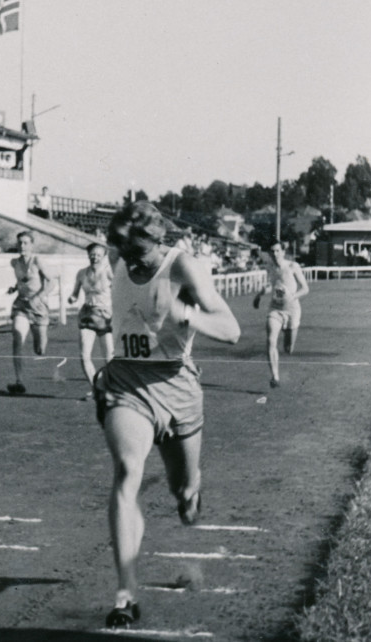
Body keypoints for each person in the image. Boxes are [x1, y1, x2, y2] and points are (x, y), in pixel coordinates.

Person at [94, 201, 240, 629]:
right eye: (124, 253)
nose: (132, 262)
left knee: (183, 491)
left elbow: (231, 331)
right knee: (127, 470)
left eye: (140, 255)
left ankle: (190, 493)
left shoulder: (184, 267)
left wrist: (185, 313)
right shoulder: (122, 253)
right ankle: (126, 595)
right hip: (127, 383)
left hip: (177, 386)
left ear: (159, 242)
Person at [252, 241, 309, 389]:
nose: (275, 254)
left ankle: (288, 332)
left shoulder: (292, 266)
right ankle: (275, 377)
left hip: (292, 310)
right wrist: (259, 295)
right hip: (275, 309)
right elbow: (273, 285)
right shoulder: (270, 267)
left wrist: (293, 296)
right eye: (272, 251)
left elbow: (305, 289)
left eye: (277, 251)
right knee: (271, 341)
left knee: (288, 349)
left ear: (283, 252)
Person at [7, 231, 53, 394]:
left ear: (32, 245)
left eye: (26, 243)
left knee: (40, 349)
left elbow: (51, 283)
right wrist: (14, 288)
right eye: (20, 242)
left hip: (38, 307)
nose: (22, 246)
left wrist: (38, 297)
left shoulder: (37, 261)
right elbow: (22, 280)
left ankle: (40, 340)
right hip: (21, 305)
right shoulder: (14, 262)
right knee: (17, 338)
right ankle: (19, 381)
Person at [68, 242, 115, 390]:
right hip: (87, 314)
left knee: (109, 358)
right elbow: (75, 294)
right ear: (88, 255)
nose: (95, 257)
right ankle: (96, 389)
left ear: (104, 256)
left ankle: (113, 388)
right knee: (84, 356)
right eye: (92, 254)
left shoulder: (109, 272)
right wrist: (72, 298)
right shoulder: (82, 273)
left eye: (98, 255)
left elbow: (120, 291)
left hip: (104, 316)